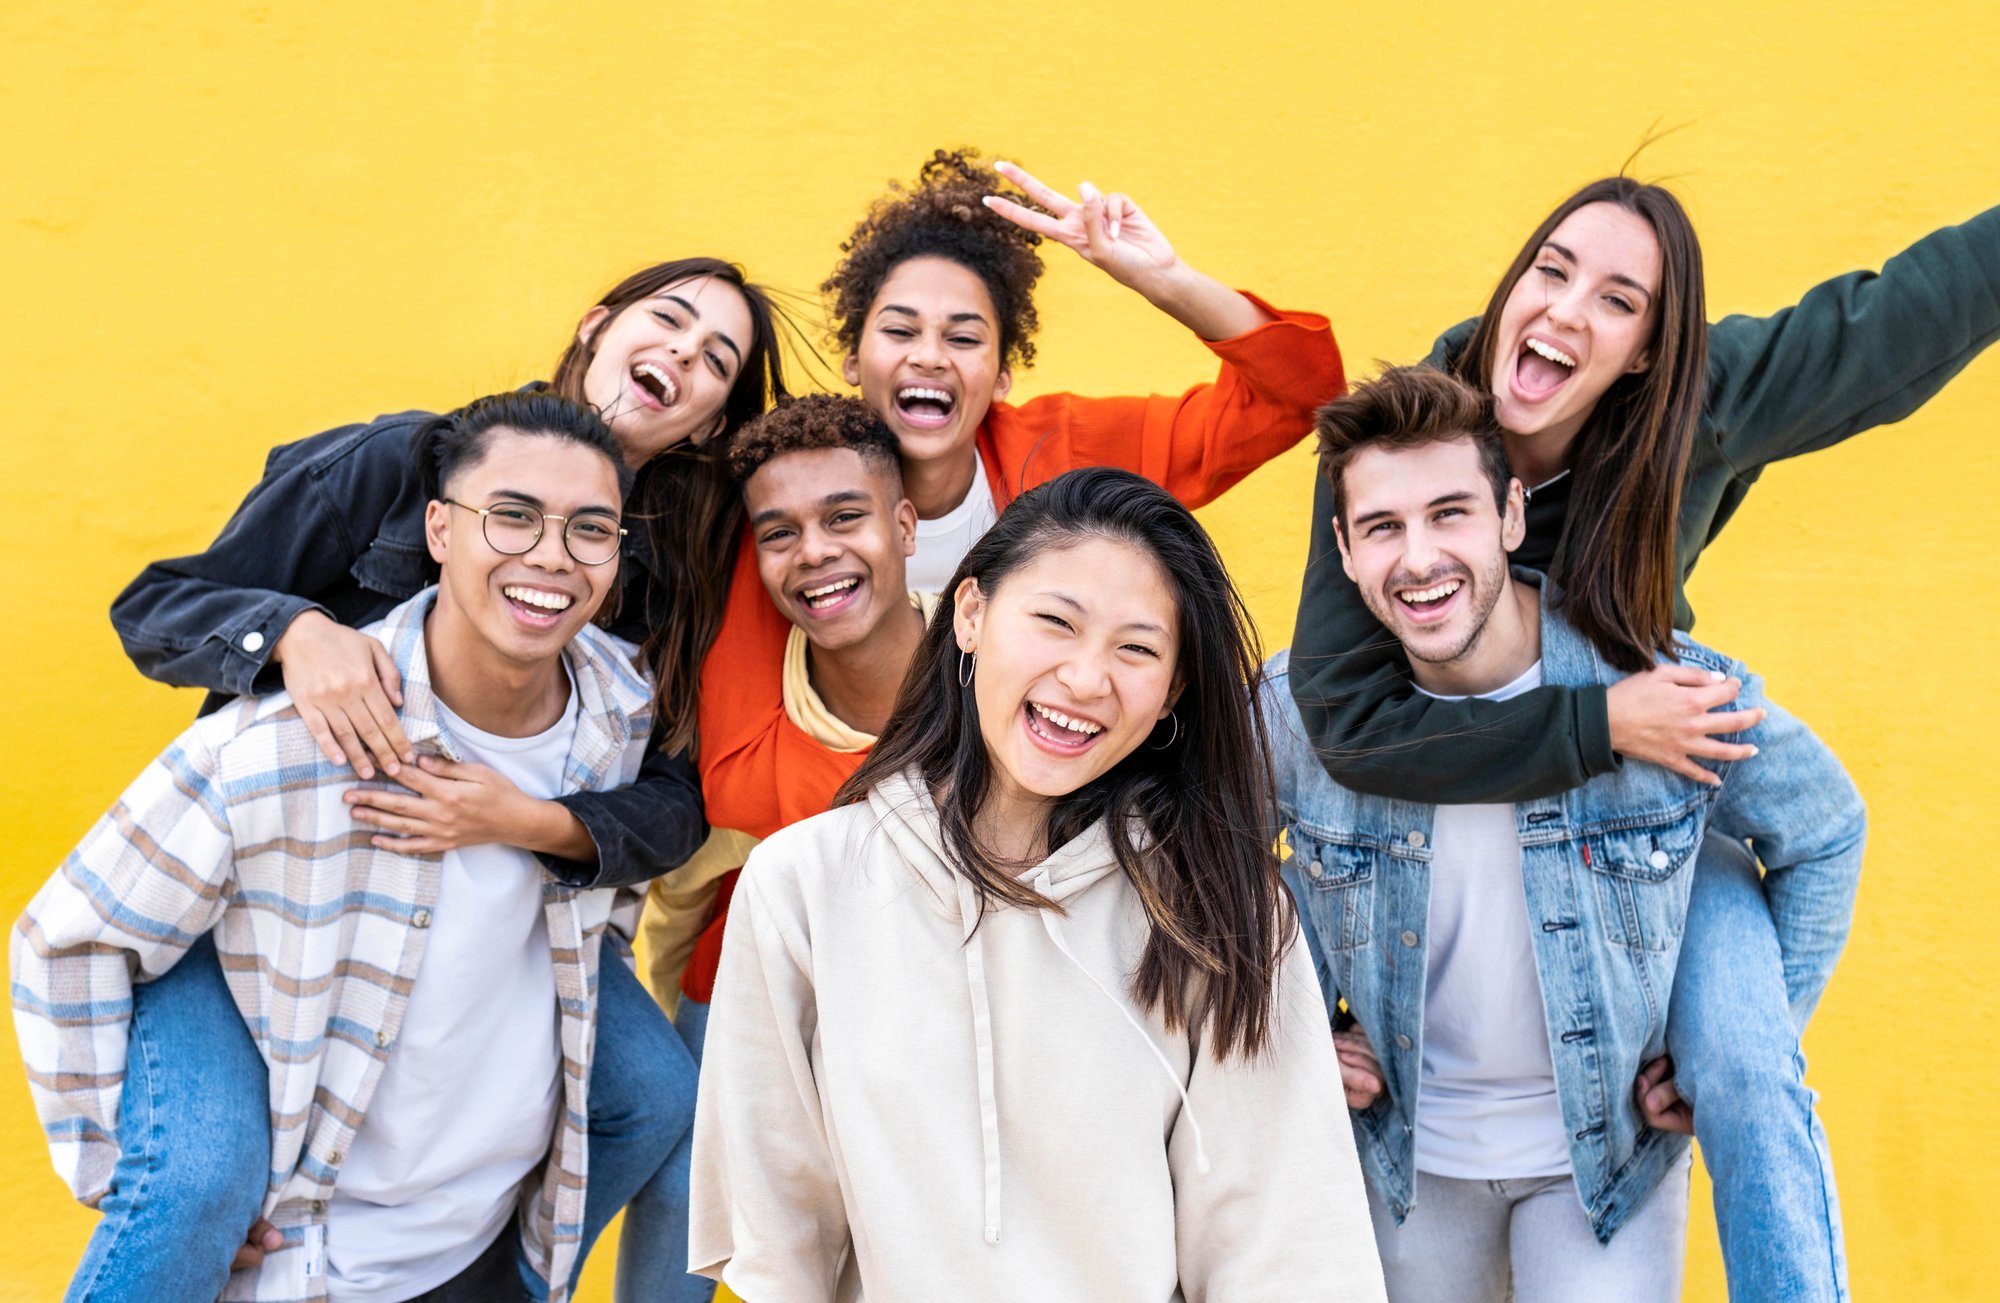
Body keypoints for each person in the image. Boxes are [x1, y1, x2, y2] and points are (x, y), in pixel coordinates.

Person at [1287, 178, 1997, 1299]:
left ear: (1646, 355)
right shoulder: (1415, 441)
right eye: (1551, 270)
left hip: (1643, 814)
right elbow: (1341, 725)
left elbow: (1894, 320)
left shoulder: (1698, 408)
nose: (1568, 310)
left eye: (1618, 301)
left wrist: (1627, 723)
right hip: (1494, 802)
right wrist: (1285, 1036)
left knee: (1746, 1065)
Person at [97, 257, 791, 1295]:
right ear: (597, 327)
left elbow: (675, 800)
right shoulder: (399, 463)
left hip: (495, 904)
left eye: (715, 363)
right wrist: (296, 631)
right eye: (668, 322)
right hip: (276, 896)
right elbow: (157, 607)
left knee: (647, 1096)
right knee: (201, 1177)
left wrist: (529, 819)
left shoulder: (657, 581)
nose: (682, 358)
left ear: (704, 424)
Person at [14, 393, 668, 1302]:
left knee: (660, 1092)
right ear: (438, 528)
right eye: (512, 516)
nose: (551, 554)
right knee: (194, 1176)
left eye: (588, 529)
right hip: (313, 1259)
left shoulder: (622, 717)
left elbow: (613, 899)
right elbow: (66, 939)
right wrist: (126, 1177)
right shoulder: (282, 748)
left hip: (485, 1250)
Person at [689, 467, 1386, 1302]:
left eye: (1136, 648)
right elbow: (781, 1242)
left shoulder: (1218, 904)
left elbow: (1283, 1248)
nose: (1087, 678)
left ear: (1174, 691)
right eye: (1056, 621)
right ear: (972, 614)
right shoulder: (802, 884)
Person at [1264, 366, 1864, 1301]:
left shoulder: (1659, 692)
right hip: (1403, 1158)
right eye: (1383, 527)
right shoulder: (1295, 716)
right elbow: (1197, 877)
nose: (1419, 558)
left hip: (1602, 1169)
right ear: (1342, 551)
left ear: (1510, 514)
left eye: (1450, 513)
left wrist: (1734, 1040)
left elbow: (1823, 828)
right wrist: (1280, 1027)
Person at [696, 148, 1346, 837]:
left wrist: (1165, 281)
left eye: (964, 336)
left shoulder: (1066, 456)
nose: (928, 355)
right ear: (854, 359)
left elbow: (1299, 397)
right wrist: (956, 796)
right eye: (899, 330)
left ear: (1002, 374)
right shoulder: (796, 518)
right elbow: (737, 776)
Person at [634, 395, 931, 1301]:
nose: (814, 551)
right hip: (739, 996)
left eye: (845, 516)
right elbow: (745, 795)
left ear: (907, 524)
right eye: (780, 533)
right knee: (677, 1255)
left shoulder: (988, 672)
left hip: (924, 1017)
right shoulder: (754, 724)